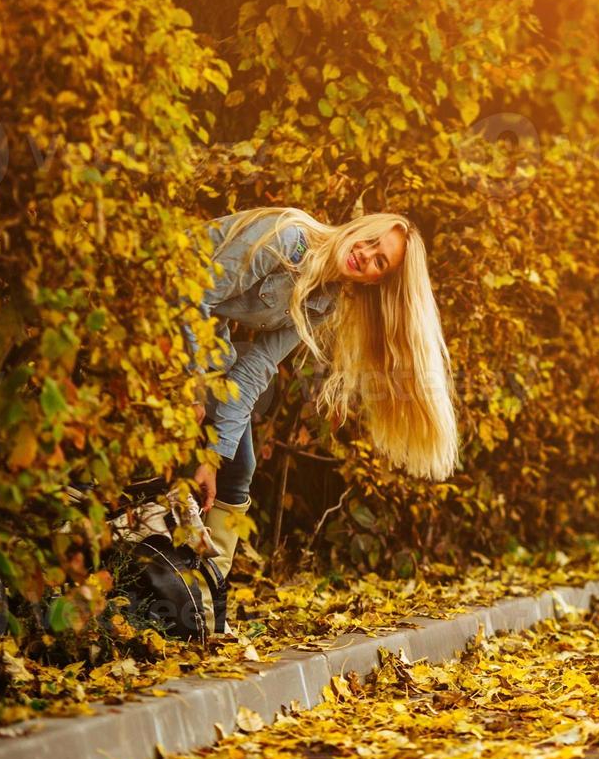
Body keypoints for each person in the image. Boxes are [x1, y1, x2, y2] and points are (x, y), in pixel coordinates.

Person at [179, 206, 458, 622]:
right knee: (215, 446)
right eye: (370, 241)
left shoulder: (322, 302)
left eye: (379, 261)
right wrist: (190, 387)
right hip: (165, 303)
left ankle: (197, 607)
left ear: (376, 279)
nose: (365, 254)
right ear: (360, 228)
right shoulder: (288, 238)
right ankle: (180, 598)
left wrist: (212, 455)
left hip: (202, 334)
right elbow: (193, 292)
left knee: (239, 467)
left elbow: (255, 370)